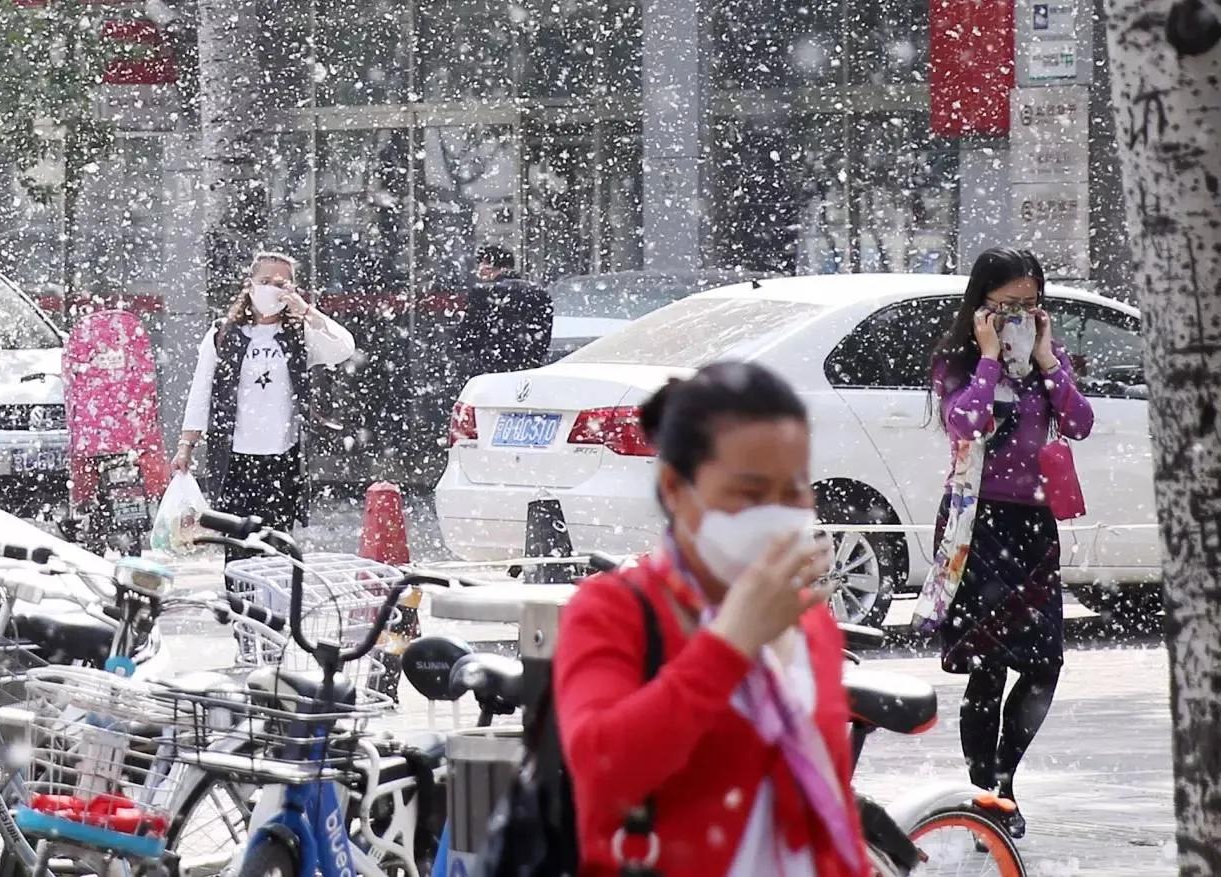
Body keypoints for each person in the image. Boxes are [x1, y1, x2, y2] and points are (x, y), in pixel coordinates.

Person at [553, 362, 868, 877]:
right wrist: (730, 643)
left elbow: (829, 812)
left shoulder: (809, 624)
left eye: (792, 493)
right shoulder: (615, 610)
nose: (775, 514)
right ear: (677, 489)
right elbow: (601, 771)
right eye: (747, 494)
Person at [928, 246, 1094, 838]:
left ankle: (1003, 780)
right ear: (982, 306)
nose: (1022, 316)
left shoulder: (1048, 362)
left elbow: (1079, 423)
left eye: (1031, 304)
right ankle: (985, 796)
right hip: (978, 524)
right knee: (988, 666)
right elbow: (966, 423)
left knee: (1045, 663)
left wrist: (1048, 361)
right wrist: (991, 359)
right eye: (1008, 306)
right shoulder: (958, 361)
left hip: (1032, 526)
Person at [173, 251, 355, 580]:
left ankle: (274, 619)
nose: (272, 289)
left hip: (282, 459)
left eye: (281, 283)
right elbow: (201, 390)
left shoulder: (300, 335)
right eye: (265, 282)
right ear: (250, 286)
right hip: (235, 458)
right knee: (238, 548)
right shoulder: (223, 334)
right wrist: (186, 444)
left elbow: (344, 347)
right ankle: (243, 618)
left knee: (276, 546)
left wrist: (308, 311)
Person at [453, 244, 553, 377]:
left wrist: (464, 320)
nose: (479, 271)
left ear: (488, 265)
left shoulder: (482, 293)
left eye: (481, 264)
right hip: (530, 374)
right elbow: (542, 341)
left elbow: (465, 341)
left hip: (491, 374)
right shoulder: (540, 294)